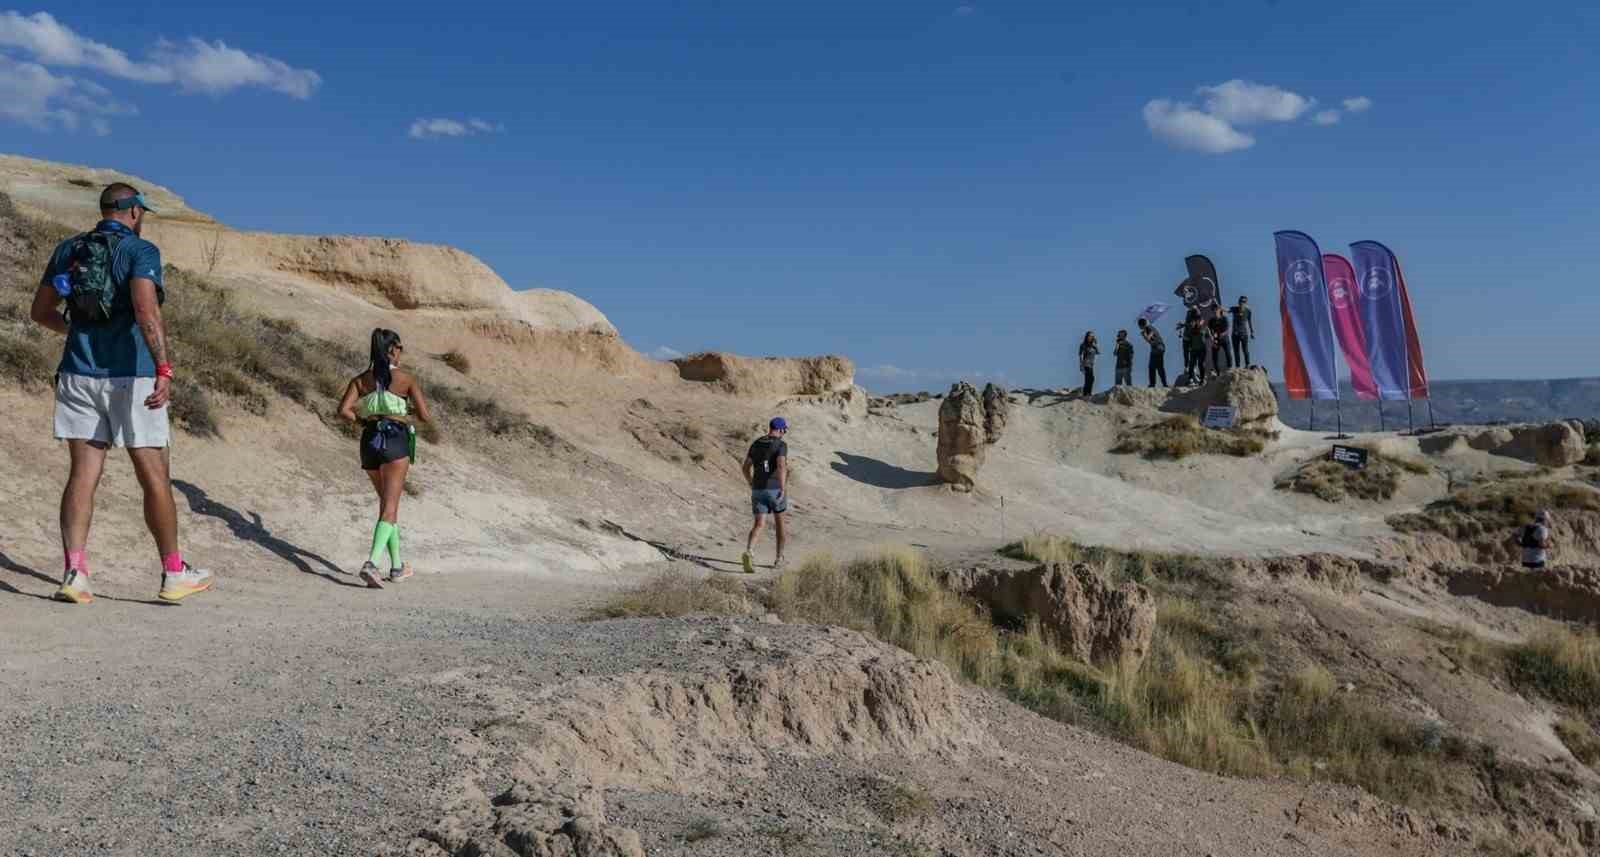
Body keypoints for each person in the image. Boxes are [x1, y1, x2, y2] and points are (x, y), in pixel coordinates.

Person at [29, 183, 213, 605]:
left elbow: (40, 312)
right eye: (141, 211)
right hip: (132, 377)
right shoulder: (140, 251)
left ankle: (75, 574)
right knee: (153, 475)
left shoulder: (68, 249)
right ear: (132, 211)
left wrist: (73, 331)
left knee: (82, 475)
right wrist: (164, 368)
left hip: (77, 374)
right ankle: (172, 573)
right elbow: (147, 311)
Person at [337, 328, 434, 587]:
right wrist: (404, 411)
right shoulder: (406, 379)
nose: (401, 352)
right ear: (392, 349)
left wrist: (363, 421)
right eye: (400, 347)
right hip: (395, 440)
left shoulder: (361, 380)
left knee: (387, 507)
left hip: (369, 441)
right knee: (389, 508)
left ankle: (397, 567)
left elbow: (344, 410)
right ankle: (371, 563)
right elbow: (426, 417)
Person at [741, 418, 789, 574]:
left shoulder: (756, 443)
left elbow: (746, 467)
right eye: (785, 431)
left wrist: (750, 482)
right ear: (781, 430)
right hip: (774, 488)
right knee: (780, 524)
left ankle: (749, 551)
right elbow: (781, 465)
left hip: (757, 489)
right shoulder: (780, 445)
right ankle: (779, 559)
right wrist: (782, 487)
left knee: (759, 524)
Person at [1138, 318, 1167, 388]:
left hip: (1158, 348)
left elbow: (1149, 338)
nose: (1139, 328)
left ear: (1141, 325)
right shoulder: (1149, 327)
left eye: (1139, 326)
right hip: (1158, 347)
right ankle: (1163, 383)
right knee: (1158, 367)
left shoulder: (1148, 328)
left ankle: (1153, 384)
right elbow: (1151, 340)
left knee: (1153, 367)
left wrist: (1144, 335)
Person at [1229, 296, 1256, 367]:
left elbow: (1250, 322)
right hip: (1235, 334)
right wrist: (1219, 307)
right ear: (1238, 302)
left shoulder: (1248, 311)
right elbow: (1227, 311)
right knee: (1236, 351)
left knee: (1245, 350)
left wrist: (1252, 332)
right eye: (1240, 301)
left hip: (1244, 334)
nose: (1242, 303)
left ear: (1246, 303)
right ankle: (1238, 366)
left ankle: (1247, 364)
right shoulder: (1234, 309)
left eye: (1244, 302)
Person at [1207, 305, 1232, 374]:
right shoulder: (1211, 321)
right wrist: (1212, 337)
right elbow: (1208, 329)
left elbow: (1228, 329)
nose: (1215, 312)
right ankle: (1218, 372)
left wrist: (1222, 334)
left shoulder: (1224, 318)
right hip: (1216, 340)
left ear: (1219, 310)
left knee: (1228, 353)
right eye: (1213, 310)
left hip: (1224, 339)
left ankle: (1229, 368)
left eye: (1216, 310)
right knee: (1214, 356)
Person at [1185, 318, 1210, 386]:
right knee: (1191, 365)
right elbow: (1188, 339)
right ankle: (1190, 379)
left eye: (1193, 322)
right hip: (1193, 350)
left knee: (1201, 364)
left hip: (1202, 350)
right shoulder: (1190, 330)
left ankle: (1202, 380)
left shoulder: (1204, 328)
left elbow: (1208, 336)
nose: (1192, 324)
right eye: (1191, 323)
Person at [1078, 331, 1098, 396]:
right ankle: (1086, 393)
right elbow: (1080, 355)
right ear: (1087, 336)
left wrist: (1096, 344)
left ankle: (1088, 393)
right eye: (1089, 336)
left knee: (1091, 379)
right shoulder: (1083, 345)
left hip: (1091, 364)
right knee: (1089, 378)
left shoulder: (1093, 345)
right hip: (1086, 363)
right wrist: (1081, 365)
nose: (1090, 337)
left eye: (1092, 336)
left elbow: (1098, 353)